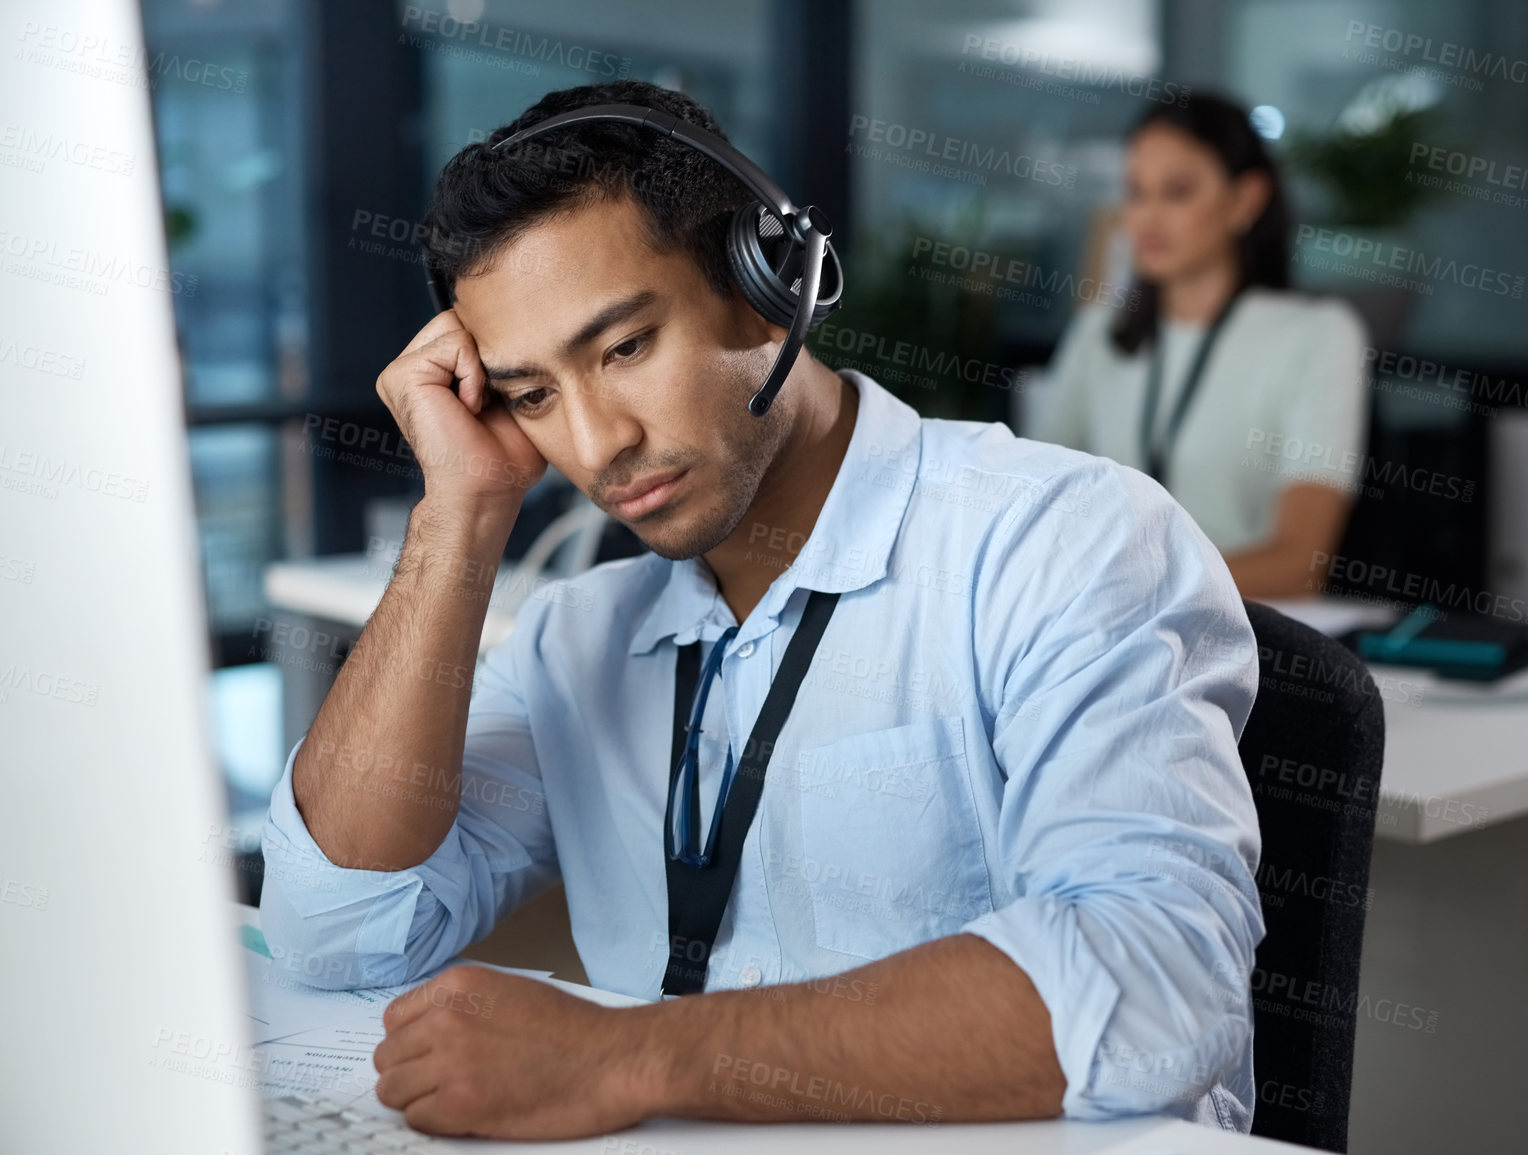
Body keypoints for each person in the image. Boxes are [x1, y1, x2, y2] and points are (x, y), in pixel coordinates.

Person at [260, 80, 1263, 1141]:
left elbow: (1155, 985)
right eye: (533, 395)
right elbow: (337, 930)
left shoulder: (1062, 542)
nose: (598, 446)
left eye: (625, 348)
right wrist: (458, 516)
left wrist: (625, 1057)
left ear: (768, 282)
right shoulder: (577, 637)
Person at [1030, 93, 1369, 599]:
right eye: (1136, 192)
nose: (1146, 218)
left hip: (1250, 635)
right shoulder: (1099, 331)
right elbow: (1037, 511)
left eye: (1178, 192)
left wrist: (1135, 588)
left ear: (1246, 199)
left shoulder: (1319, 335)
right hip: (1105, 631)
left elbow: (1300, 563)